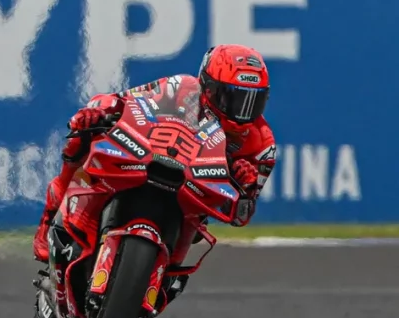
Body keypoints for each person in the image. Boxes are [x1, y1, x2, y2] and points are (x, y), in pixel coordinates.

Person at [32, 44, 277, 267]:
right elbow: (127, 101)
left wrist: (243, 185)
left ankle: (163, 279)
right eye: (234, 99)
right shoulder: (180, 88)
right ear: (209, 89)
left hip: (190, 202)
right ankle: (52, 214)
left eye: (252, 102)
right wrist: (99, 112)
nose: (242, 113)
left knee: (184, 252)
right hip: (152, 161)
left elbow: (240, 216)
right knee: (82, 138)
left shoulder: (263, 146)